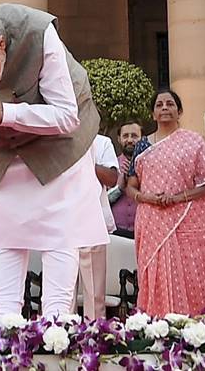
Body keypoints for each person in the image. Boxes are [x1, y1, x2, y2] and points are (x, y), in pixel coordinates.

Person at [0, 3, 108, 317]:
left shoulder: (39, 33)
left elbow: (66, 115)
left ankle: (57, 329)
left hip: (60, 144)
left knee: (59, 235)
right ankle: (5, 330)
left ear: (1, 44)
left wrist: (1, 112)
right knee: (4, 239)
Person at [125, 89, 205, 316]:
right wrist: (148, 198)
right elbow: (130, 185)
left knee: (193, 271)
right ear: (153, 114)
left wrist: (178, 198)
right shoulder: (143, 145)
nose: (164, 107)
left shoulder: (193, 142)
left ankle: (198, 327)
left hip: (190, 220)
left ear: (180, 111)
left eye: (170, 104)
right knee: (155, 270)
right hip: (151, 218)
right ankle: (157, 324)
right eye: (159, 105)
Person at [74, 134, 119, 319]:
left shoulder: (102, 142)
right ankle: (60, 337)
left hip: (92, 222)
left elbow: (112, 178)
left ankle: (94, 337)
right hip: (60, 223)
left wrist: (84, 163)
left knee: (94, 294)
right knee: (62, 293)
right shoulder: (55, 137)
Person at [112, 120, 143, 237]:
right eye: (125, 136)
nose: (129, 140)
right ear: (119, 139)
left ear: (142, 138)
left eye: (134, 136)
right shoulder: (111, 165)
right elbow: (103, 201)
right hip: (116, 231)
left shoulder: (151, 165)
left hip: (143, 229)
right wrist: (120, 185)